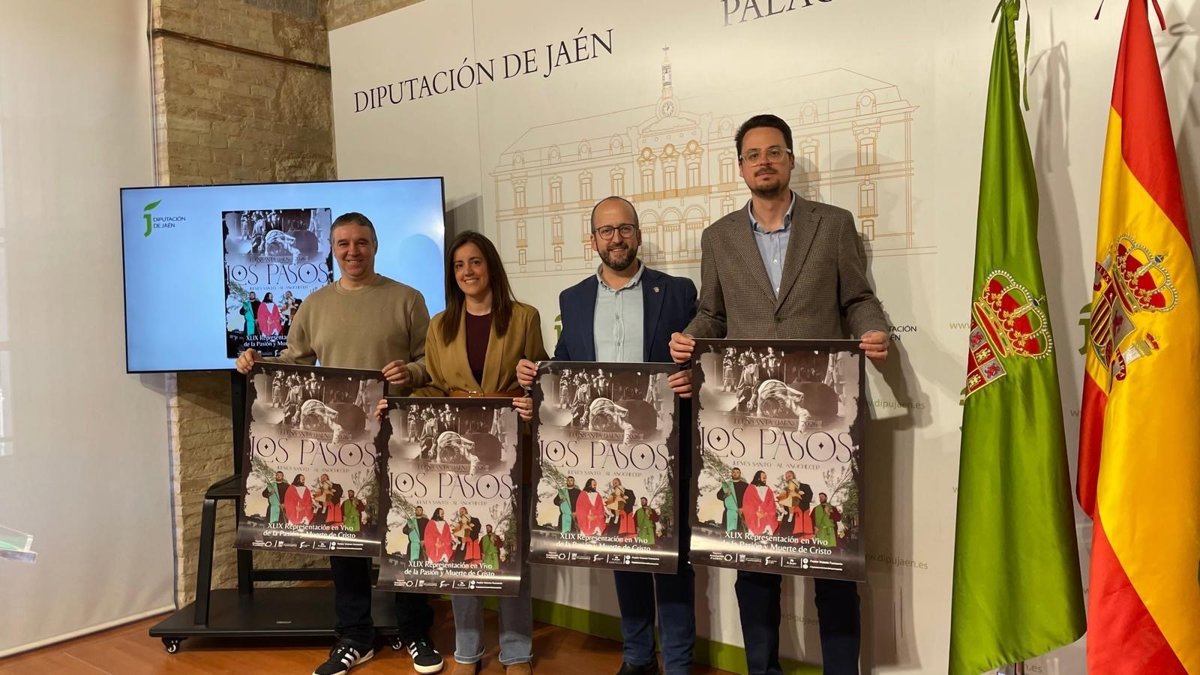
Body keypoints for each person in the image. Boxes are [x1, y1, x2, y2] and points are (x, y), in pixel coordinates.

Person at [669, 114, 889, 675]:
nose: (763, 162)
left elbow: (857, 298)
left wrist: (873, 329)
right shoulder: (718, 237)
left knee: (830, 557)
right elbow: (713, 313)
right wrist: (688, 338)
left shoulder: (832, 225)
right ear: (741, 167)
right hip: (751, 427)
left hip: (819, 419)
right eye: (752, 155)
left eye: (773, 152)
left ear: (789, 159)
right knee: (756, 561)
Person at [235, 212, 444, 675]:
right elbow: (293, 363)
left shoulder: (407, 299)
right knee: (344, 532)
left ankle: (415, 631)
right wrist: (255, 362)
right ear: (332, 249)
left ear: (375, 245)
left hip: (396, 435)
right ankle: (354, 637)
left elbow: (431, 361)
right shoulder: (314, 305)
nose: (353, 251)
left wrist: (410, 372)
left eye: (362, 242)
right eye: (344, 243)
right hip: (336, 442)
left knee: (404, 531)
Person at [515, 196, 698, 675]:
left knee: (672, 564)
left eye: (624, 229)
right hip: (603, 456)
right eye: (606, 231)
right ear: (592, 239)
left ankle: (679, 665)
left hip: (663, 449)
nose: (616, 238)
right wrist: (535, 376)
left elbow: (699, 359)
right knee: (624, 555)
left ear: (637, 233)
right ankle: (637, 659)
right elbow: (565, 365)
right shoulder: (573, 298)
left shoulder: (678, 292)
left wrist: (692, 376)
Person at [415, 230, 546, 675]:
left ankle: (517, 652)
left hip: (509, 446)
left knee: (511, 551)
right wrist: (394, 405)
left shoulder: (524, 317)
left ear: (490, 265)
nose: (467, 271)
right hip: (456, 451)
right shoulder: (439, 325)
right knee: (461, 547)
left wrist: (532, 393)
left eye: (474, 262)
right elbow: (434, 386)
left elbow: (541, 377)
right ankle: (467, 650)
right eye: (458, 265)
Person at [742, 470, 778, 536]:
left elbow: (771, 504)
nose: (765, 480)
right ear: (758, 478)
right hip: (754, 516)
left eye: (765, 478)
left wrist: (766, 514)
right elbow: (747, 503)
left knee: (766, 535)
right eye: (764, 478)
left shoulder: (768, 489)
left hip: (766, 517)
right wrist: (755, 512)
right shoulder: (750, 488)